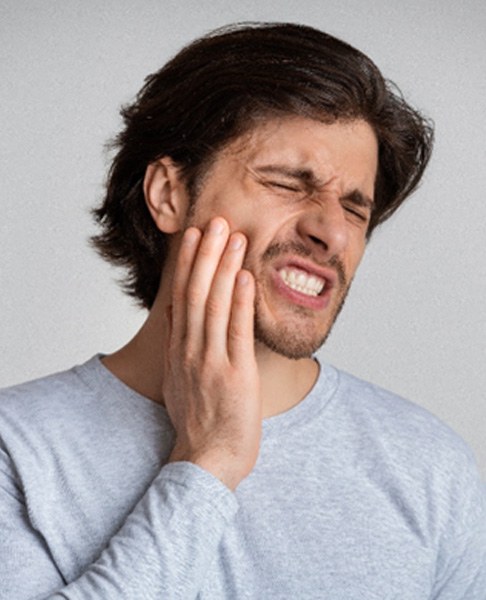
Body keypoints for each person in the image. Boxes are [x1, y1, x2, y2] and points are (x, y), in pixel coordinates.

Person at [1, 22, 485, 599]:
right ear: (169, 195)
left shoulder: (430, 469)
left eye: (355, 210)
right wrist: (208, 463)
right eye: (287, 182)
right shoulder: (18, 451)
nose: (332, 231)